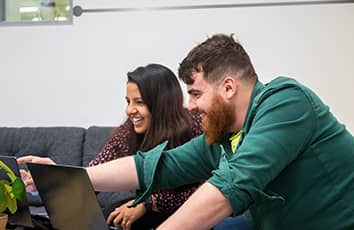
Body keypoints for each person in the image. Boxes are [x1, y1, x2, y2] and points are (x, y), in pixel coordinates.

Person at [86, 34, 354, 230]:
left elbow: (229, 187)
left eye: (195, 94)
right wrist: (74, 177)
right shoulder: (225, 135)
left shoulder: (287, 102)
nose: (190, 106)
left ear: (228, 87)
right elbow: (159, 166)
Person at [19, 63, 204, 230]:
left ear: (162, 103)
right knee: (109, 215)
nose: (129, 110)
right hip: (147, 209)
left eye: (139, 102)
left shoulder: (196, 126)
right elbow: (95, 173)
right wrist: (54, 175)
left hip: (192, 212)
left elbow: (206, 189)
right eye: (128, 101)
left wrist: (148, 203)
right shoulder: (128, 132)